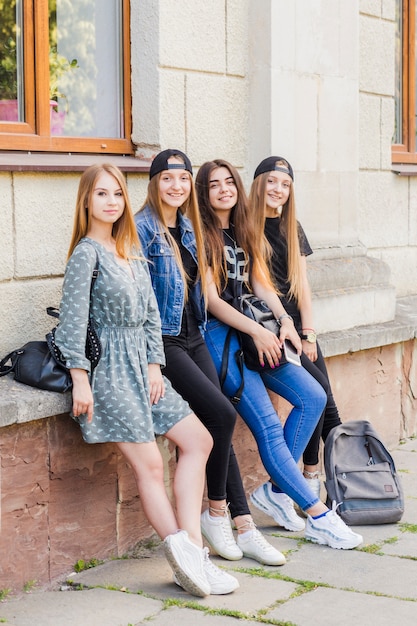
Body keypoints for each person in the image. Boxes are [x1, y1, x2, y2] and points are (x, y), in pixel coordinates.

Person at [54, 162, 238, 598]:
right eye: (102, 194)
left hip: (144, 368)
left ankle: (193, 548)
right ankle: (187, 560)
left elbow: (154, 316)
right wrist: (80, 379)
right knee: (151, 465)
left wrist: (156, 364)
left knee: (198, 440)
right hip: (111, 375)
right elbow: (71, 324)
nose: (112, 202)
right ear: (86, 201)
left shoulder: (131, 247)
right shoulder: (87, 254)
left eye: (117, 193)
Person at [195, 159, 363, 550]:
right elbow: (210, 299)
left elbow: (259, 282)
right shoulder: (200, 234)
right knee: (269, 427)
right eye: (213, 185)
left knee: (313, 396)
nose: (223, 190)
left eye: (228, 183)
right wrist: (256, 330)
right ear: (203, 194)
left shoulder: (241, 229)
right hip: (223, 338)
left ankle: (276, 488)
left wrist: (286, 320)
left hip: (257, 330)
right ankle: (318, 515)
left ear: (237, 188)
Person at [135, 149, 285, 568]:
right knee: (221, 416)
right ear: (154, 183)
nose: (176, 186)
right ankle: (216, 513)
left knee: (220, 419)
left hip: (194, 335)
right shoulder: (141, 228)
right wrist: (148, 359)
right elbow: (141, 300)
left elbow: (203, 292)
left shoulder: (188, 227)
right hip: (164, 341)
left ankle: (243, 523)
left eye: (183, 178)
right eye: (168, 178)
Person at [249, 156, 342, 500]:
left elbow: (301, 284)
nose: (278, 190)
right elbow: (259, 283)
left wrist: (310, 333)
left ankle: (324, 479)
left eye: (285, 184)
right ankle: (303, 480)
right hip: (271, 324)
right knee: (317, 396)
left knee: (327, 404)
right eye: (272, 181)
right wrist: (289, 327)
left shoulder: (292, 226)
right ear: (258, 183)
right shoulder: (247, 226)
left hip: (299, 327)